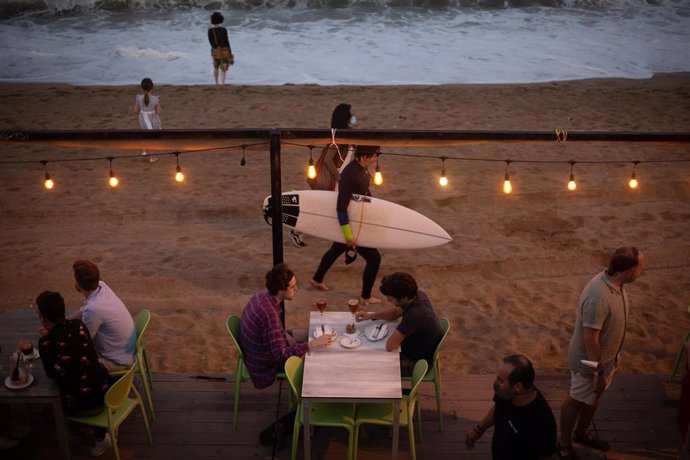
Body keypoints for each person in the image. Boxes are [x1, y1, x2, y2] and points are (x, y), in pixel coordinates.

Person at [558, 246, 645, 459]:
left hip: (605, 363)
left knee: (594, 397)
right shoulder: (599, 296)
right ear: (629, 270)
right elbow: (590, 337)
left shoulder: (616, 282)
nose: (642, 271)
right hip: (589, 365)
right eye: (640, 267)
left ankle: (581, 433)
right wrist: (597, 371)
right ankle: (562, 444)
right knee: (576, 400)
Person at [37, 290, 113, 457]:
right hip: (109, 391)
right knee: (83, 377)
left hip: (84, 404)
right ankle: (97, 430)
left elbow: (51, 374)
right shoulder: (79, 326)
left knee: (50, 405)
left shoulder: (45, 343)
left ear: (42, 317)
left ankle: (99, 438)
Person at [240, 263, 332, 389]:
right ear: (281, 289)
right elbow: (280, 355)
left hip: (258, 349)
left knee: (310, 333)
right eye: (293, 287)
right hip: (264, 364)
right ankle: (300, 402)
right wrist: (311, 344)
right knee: (314, 358)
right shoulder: (269, 314)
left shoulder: (262, 295)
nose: (296, 289)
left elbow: (275, 334)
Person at [310, 145, 382, 304]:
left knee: (336, 249)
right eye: (374, 156)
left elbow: (363, 192)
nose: (376, 158)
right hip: (350, 223)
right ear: (364, 156)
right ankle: (365, 297)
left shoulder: (361, 169)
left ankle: (317, 279)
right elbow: (341, 208)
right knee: (374, 258)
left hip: (356, 219)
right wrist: (348, 236)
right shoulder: (351, 174)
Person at [465, 354, 557, 459]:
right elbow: (498, 409)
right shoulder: (505, 393)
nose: (496, 383)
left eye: (501, 380)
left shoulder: (541, 421)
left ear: (517, 387)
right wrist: (479, 429)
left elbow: (547, 457)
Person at [290, 102, 357, 248]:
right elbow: (328, 160)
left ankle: (297, 231)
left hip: (341, 178)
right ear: (345, 116)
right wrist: (339, 178)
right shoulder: (337, 137)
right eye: (350, 113)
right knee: (326, 208)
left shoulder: (346, 134)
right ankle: (297, 231)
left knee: (327, 208)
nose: (353, 116)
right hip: (335, 180)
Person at [355, 272, 441, 375]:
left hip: (416, 363)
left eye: (390, 298)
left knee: (368, 363)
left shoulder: (414, 314)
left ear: (404, 298)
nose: (387, 300)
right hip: (416, 349)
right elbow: (396, 312)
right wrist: (372, 316)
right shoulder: (417, 294)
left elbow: (390, 346)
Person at [67, 260, 136, 372]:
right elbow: (84, 310)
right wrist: (63, 322)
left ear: (78, 285)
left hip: (116, 361)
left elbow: (84, 341)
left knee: (70, 359)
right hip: (126, 351)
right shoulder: (101, 286)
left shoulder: (93, 309)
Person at [132, 77, 162, 162]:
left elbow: (136, 110)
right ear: (152, 87)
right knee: (152, 136)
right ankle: (152, 157)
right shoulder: (155, 99)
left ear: (142, 87)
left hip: (142, 119)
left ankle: (144, 152)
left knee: (145, 135)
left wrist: (143, 110)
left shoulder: (138, 98)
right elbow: (159, 111)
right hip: (152, 119)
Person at [208, 12, 233, 85]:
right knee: (223, 67)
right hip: (223, 50)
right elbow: (226, 41)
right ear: (220, 20)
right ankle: (223, 82)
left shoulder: (210, 30)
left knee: (216, 67)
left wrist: (215, 47)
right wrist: (229, 52)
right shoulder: (223, 30)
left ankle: (216, 83)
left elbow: (210, 41)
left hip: (214, 50)